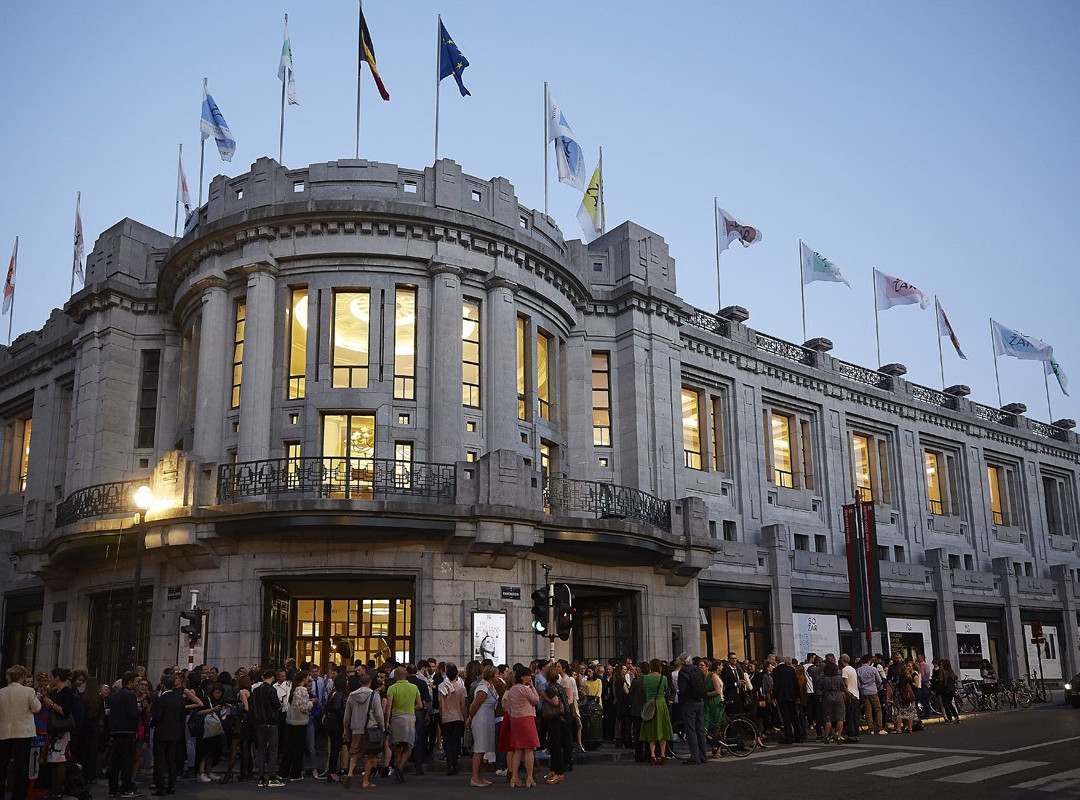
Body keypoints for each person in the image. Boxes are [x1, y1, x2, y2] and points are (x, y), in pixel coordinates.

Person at [0, 665, 42, 800]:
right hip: (23, 733)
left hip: (5, 732)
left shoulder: (1, 692)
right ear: (23, 677)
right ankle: (18, 796)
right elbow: (37, 708)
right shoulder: (28, 691)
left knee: (2, 766)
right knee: (21, 767)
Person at [342, 673, 385, 790]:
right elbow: (379, 713)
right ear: (370, 682)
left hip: (356, 728)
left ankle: (350, 773)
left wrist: (346, 729)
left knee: (354, 753)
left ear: (360, 682)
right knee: (371, 755)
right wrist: (383, 726)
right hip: (370, 728)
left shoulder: (352, 695)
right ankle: (365, 781)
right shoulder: (374, 695)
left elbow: (347, 715)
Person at [499, 665, 540, 787]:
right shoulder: (525, 689)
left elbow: (509, 708)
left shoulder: (512, 690)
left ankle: (514, 777)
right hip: (526, 719)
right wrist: (532, 687)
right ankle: (529, 777)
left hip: (515, 720)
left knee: (517, 749)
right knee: (528, 749)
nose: (530, 677)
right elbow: (536, 700)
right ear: (522, 677)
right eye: (527, 675)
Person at [42, 667, 77, 800]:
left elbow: (65, 711)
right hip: (53, 729)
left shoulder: (66, 692)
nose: (50, 680)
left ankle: (58, 790)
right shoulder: (55, 691)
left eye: (51, 677)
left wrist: (50, 703)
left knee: (60, 759)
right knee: (53, 760)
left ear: (57, 678)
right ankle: (54, 789)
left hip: (62, 729)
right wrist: (47, 696)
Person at [149, 674, 185, 796]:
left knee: (159, 760)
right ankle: (171, 785)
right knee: (171, 760)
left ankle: (161, 786)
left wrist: (151, 723)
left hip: (161, 733)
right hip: (175, 733)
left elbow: (156, 717)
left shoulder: (160, 700)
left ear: (162, 685)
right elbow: (182, 717)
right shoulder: (179, 699)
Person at [384, 667, 421, 784]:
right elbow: (420, 705)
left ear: (395, 676)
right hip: (410, 718)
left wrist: (387, 720)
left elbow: (389, 705)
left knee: (397, 745)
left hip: (396, 718)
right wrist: (411, 708)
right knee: (409, 745)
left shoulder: (392, 688)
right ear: (406, 675)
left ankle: (397, 766)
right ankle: (400, 767)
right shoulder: (414, 688)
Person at [249, 669, 285, 787]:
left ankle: (260, 777)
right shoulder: (272, 690)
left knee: (261, 750)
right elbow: (276, 705)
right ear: (272, 677)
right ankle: (272, 776)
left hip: (259, 723)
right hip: (271, 723)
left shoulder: (256, 690)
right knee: (273, 750)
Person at [466, 665, 497, 787]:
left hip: (487, 719)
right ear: (491, 675)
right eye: (496, 674)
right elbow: (474, 706)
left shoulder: (489, 686)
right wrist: (470, 717)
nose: (498, 676)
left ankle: (480, 776)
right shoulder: (483, 688)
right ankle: (474, 777)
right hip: (481, 720)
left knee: (484, 748)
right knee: (479, 748)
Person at [638, 660, 673, 765]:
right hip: (661, 704)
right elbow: (667, 691)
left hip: (650, 704)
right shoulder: (663, 678)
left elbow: (644, 690)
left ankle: (652, 755)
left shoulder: (646, 678)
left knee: (651, 729)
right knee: (663, 729)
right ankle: (662, 754)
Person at [677, 655, 707, 765]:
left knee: (690, 730)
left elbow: (682, 690)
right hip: (699, 701)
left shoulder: (683, 672)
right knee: (700, 729)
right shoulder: (697, 670)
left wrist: (680, 701)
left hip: (689, 702)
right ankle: (703, 756)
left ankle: (695, 757)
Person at [438, 664, 467, 776]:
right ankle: (454, 763)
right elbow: (463, 705)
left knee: (447, 742)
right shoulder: (461, 688)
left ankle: (449, 763)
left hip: (446, 717)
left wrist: (441, 715)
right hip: (458, 717)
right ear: (456, 675)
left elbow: (440, 705)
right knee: (456, 742)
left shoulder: (442, 686)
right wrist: (465, 717)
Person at [281, 673, 312, 781]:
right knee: (298, 749)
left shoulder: (292, 688)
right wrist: (311, 704)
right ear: (304, 678)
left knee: (289, 748)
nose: (309, 679)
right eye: (307, 677)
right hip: (300, 721)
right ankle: (295, 773)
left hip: (291, 721)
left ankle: (284, 771)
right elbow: (303, 707)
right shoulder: (302, 690)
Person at [771, 656, 799, 744]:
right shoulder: (791, 669)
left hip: (782, 696)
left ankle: (789, 736)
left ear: (776, 661)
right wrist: (797, 695)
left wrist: (773, 696)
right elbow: (795, 682)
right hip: (792, 695)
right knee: (794, 716)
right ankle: (798, 736)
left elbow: (776, 684)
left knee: (786, 717)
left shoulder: (776, 670)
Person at [818, 662, 846, 744]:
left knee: (827, 717)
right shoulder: (838, 678)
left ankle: (826, 736)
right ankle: (839, 736)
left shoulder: (823, 678)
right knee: (840, 717)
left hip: (827, 697)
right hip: (838, 696)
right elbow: (843, 687)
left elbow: (819, 689)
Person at [856, 655, 884, 734]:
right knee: (878, 709)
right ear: (869, 661)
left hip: (864, 692)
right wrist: (876, 685)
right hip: (873, 691)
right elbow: (879, 680)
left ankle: (871, 728)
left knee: (868, 711)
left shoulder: (858, 670)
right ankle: (880, 727)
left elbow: (858, 684)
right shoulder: (873, 669)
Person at [894, 662, 918, 734]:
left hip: (904, 697)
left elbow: (901, 686)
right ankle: (910, 728)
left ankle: (899, 729)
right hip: (910, 696)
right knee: (910, 713)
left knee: (901, 713)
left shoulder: (902, 676)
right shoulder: (909, 675)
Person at [935, 659, 960, 724]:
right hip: (951, 689)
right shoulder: (951, 671)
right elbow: (955, 678)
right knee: (950, 703)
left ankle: (949, 719)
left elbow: (941, 680)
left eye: (941, 664)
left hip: (945, 689)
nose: (940, 665)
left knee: (945, 704)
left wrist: (938, 684)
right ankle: (956, 717)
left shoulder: (942, 671)